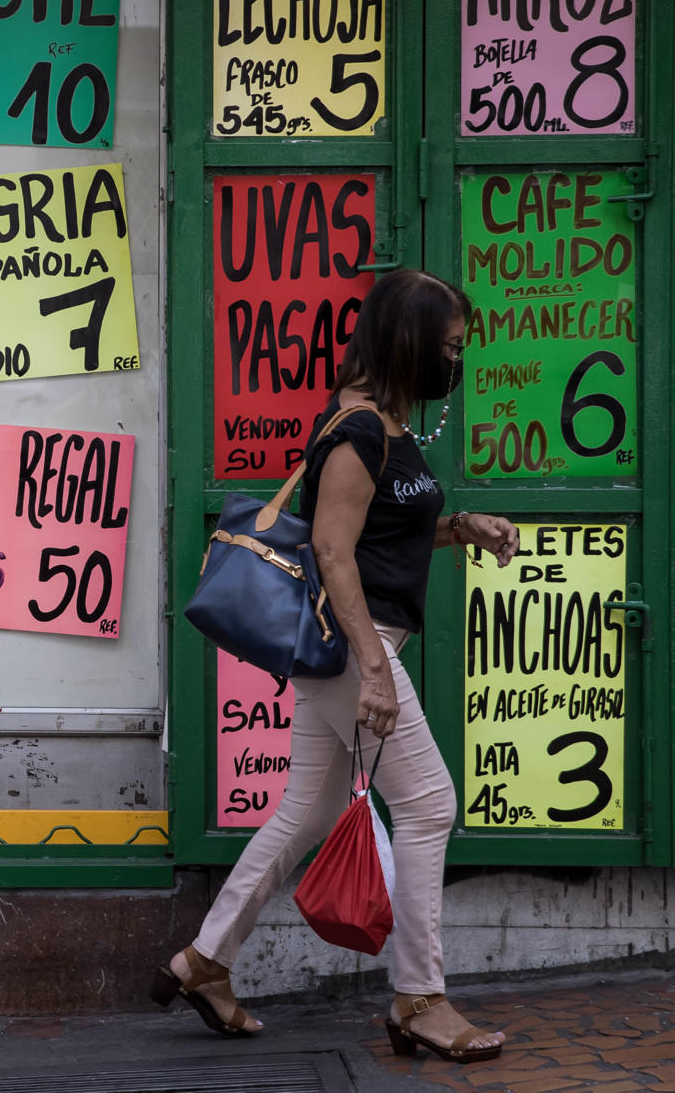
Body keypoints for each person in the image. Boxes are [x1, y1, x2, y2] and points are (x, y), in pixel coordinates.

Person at [154, 269, 520, 1064]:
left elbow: (384, 536)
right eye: (450, 346)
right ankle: (420, 997)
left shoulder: (384, 423)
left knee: (305, 813)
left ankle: (205, 961)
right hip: (356, 649)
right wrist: (376, 671)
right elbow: (330, 550)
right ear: (412, 343)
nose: (456, 360)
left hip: (347, 652)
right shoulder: (356, 432)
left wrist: (463, 526)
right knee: (428, 806)